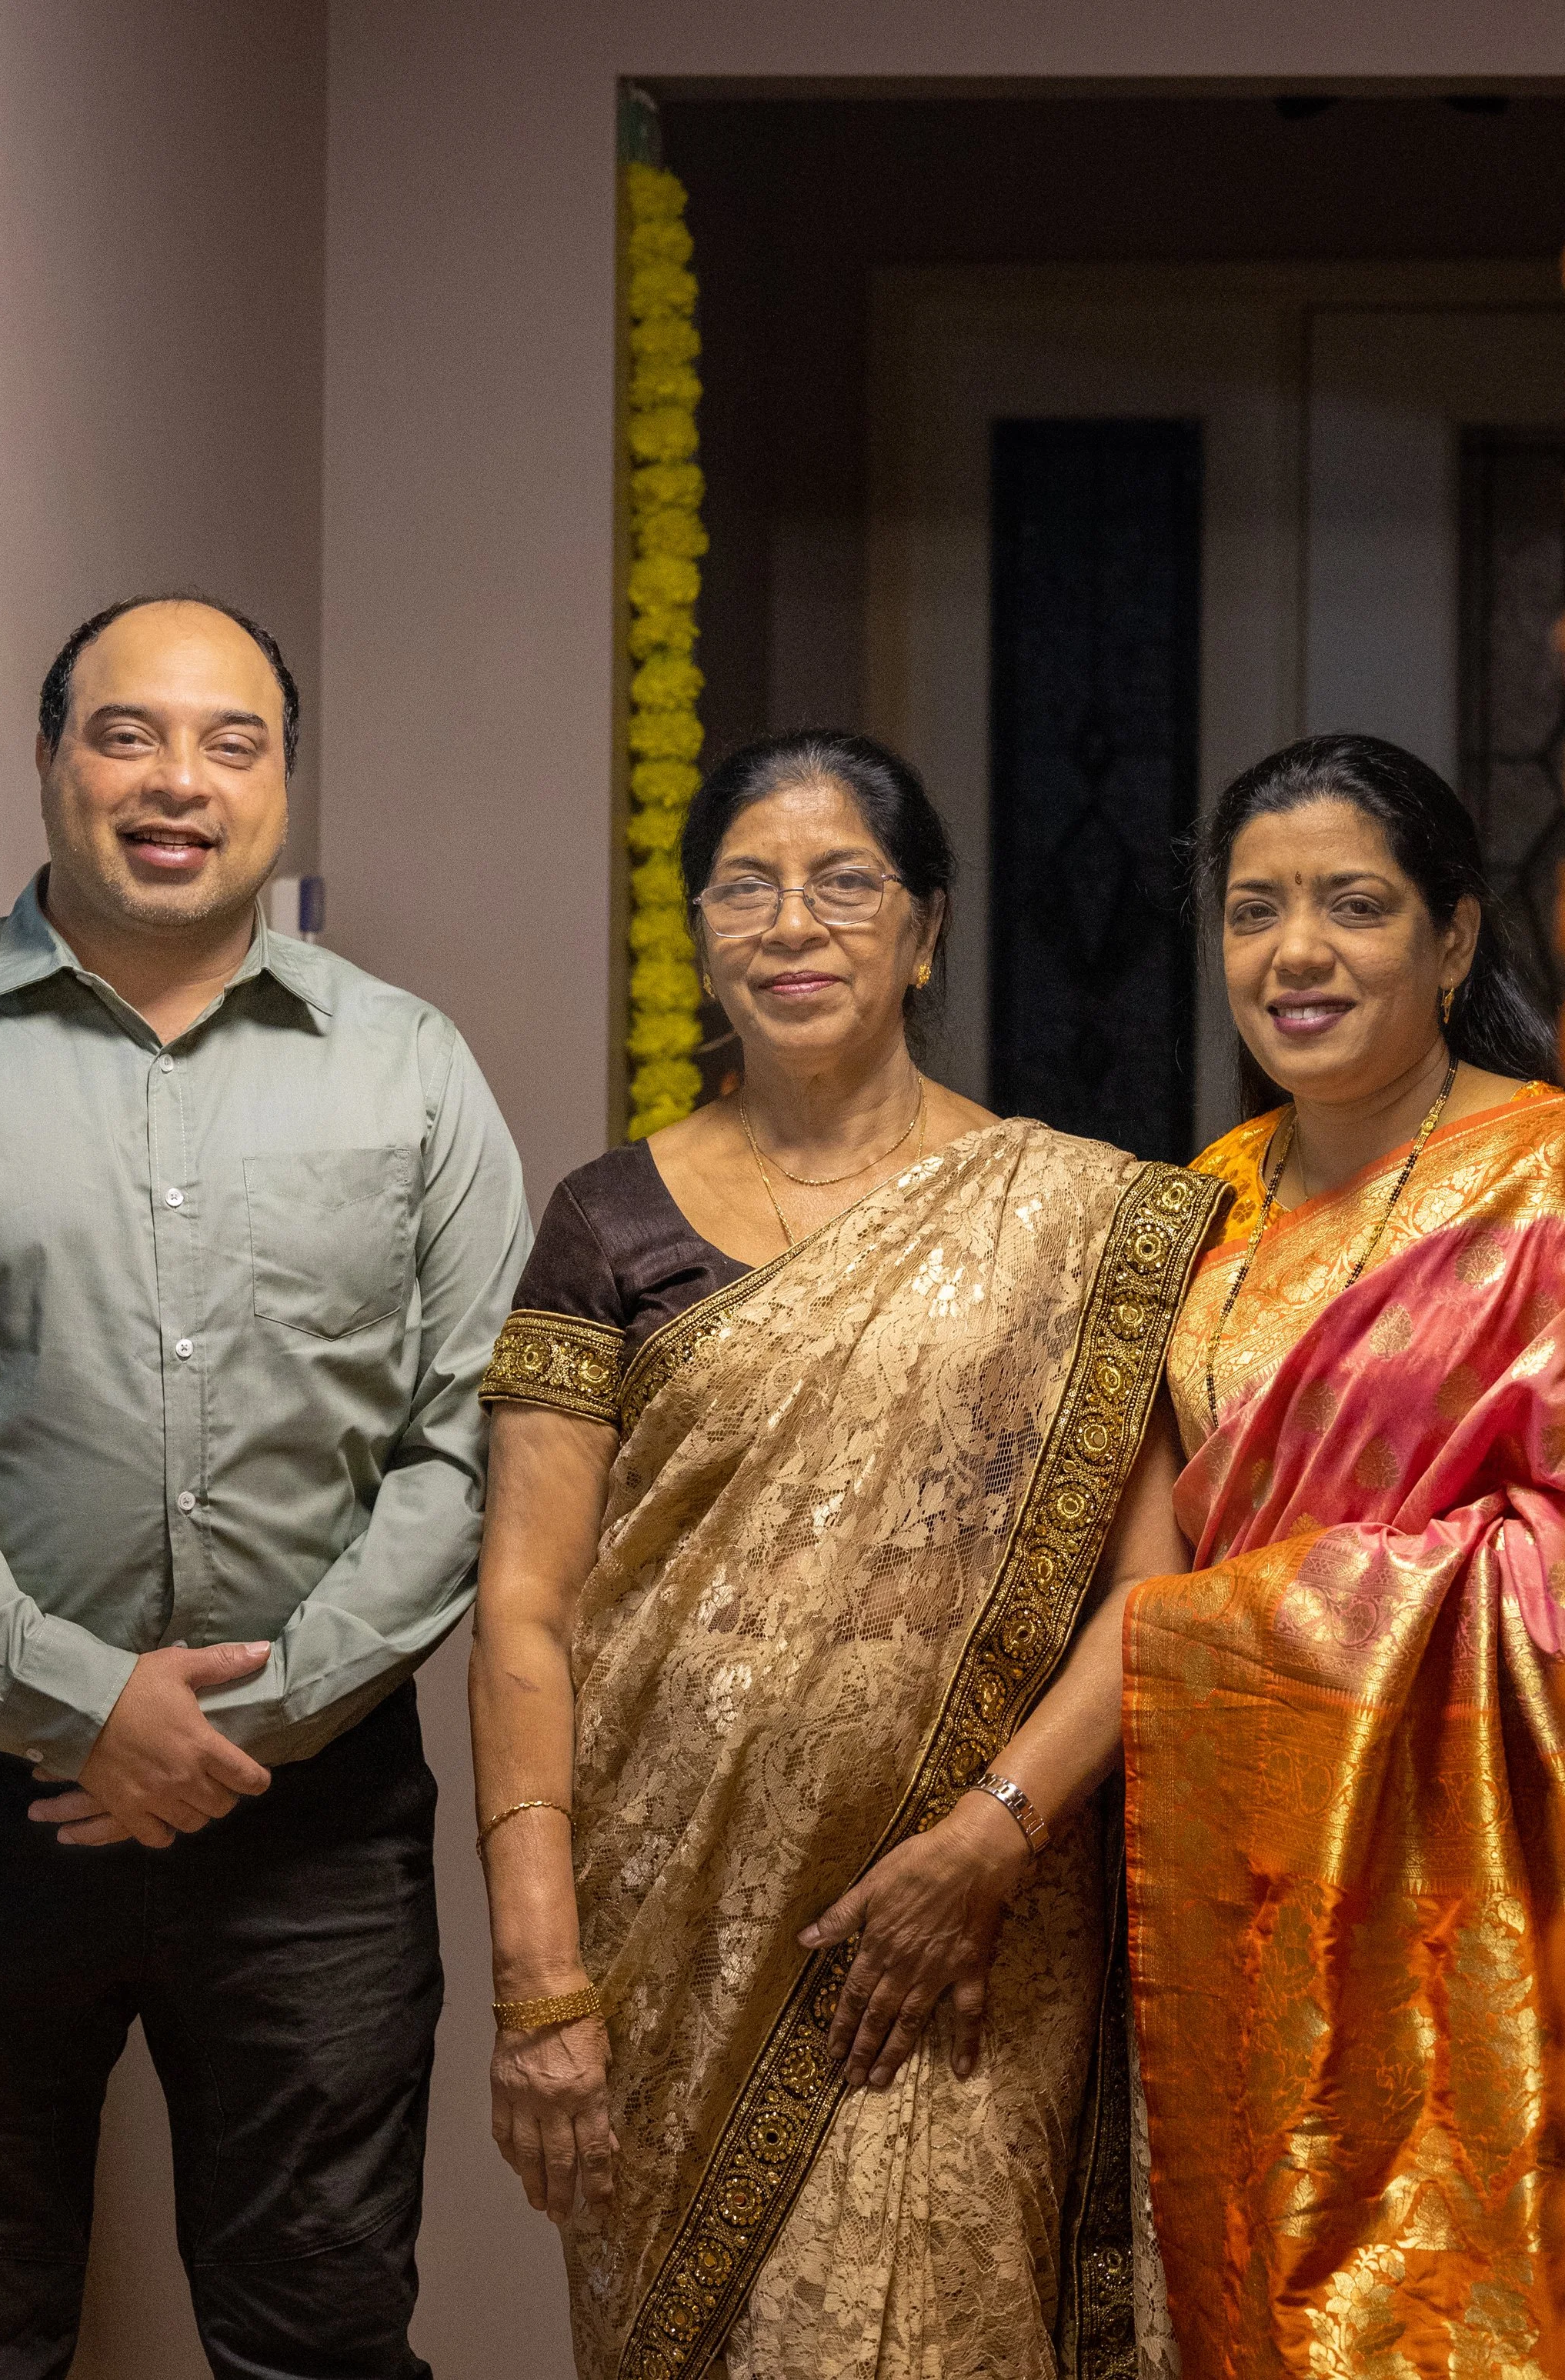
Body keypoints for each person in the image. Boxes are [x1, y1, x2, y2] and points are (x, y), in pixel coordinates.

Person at [0, 594, 529, 2380]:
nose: (179, 782)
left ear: (284, 785)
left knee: (321, 2328)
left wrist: (278, 1707)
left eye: (231, 742)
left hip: (310, 1825)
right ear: (49, 761)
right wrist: (80, 1705)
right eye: (127, 733)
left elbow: (474, 1430)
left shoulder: (406, 1069)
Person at [469, 729, 1226, 2380]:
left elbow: (1148, 1596)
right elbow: (523, 1612)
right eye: (742, 886)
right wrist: (537, 1983)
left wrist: (991, 1835)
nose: (788, 923)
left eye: (840, 883)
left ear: (925, 928)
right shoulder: (605, 1223)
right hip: (668, 1948)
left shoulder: (1081, 1219)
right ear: (696, 934)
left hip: (966, 1953)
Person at [1122, 732, 1565, 2379]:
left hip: (1476, 1901)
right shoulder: (1201, 1206)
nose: (1293, 953)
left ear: (1452, 940)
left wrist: (1237, 1635)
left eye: (1351, 906)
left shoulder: (1556, 1186)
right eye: (1252, 912)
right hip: (1223, 1874)